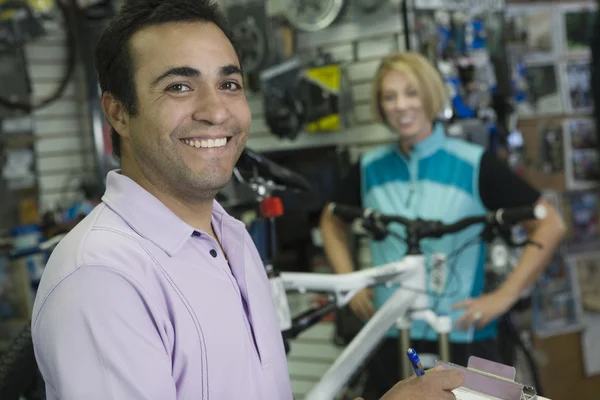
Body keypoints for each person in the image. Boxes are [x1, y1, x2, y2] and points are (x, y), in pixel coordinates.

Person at [30, 1, 464, 399]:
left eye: (230, 83)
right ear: (118, 112)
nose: (216, 111)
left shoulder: (231, 239)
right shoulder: (102, 278)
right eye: (180, 86)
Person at [319, 51, 566, 398]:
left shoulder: (473, 162)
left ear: (430, 95)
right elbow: (331, 221)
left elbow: (550, 223)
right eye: (389, 97)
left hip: (467, 335)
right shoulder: (369, 167)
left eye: (411, 92)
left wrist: (504, 296)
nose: (401, 106)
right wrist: (350, 285)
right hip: (391, 336)